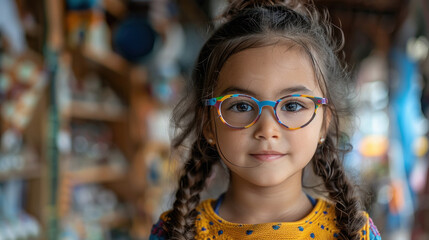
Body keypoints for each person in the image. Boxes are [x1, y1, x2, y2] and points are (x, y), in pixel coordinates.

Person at [149, 0, 381, 239]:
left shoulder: (355, 233)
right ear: (208, 124)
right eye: (241, 105)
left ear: (324, 122)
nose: (268, 129)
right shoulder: (173, 232)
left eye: (292, 105)